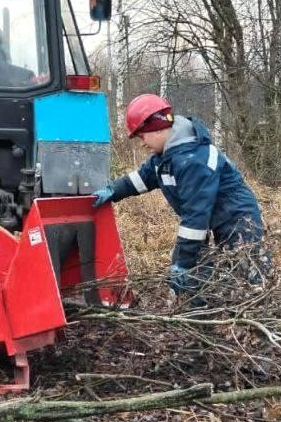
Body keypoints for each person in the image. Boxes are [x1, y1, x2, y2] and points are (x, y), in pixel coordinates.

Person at [92, 93, 269, 304]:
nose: (141, 143)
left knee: (247, 273)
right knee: (197, 268)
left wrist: (183, 263)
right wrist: (114, 190)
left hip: (238, 217)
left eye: (142, 136)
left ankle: (255, 315)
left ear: (156, 128)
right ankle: (203, 310)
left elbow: (195, 216)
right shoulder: (164, 158)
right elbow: (141, 178)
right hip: (208, 217)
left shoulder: (193, 160)